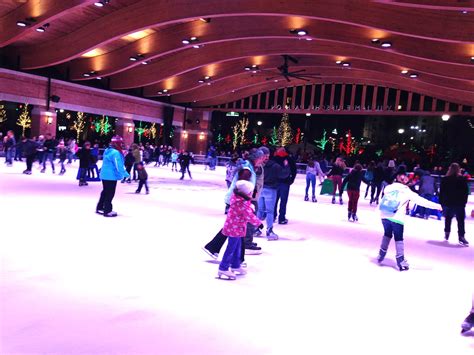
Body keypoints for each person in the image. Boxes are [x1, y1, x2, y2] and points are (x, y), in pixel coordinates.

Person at [376, 172, 441, 271]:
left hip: (384, 215)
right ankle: (401, 260)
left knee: (387, 234)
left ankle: (381, 254)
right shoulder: (407, 192)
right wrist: (437, 206)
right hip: (397, 218)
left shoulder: (388, 188)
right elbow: (422, 201)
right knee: (399, 238)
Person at [217, 171, 263, 280]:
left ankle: (235, 265)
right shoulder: (241, 203)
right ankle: (223, 267)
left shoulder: (240, 198)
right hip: (234, 229)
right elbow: (249, 215)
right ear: (247, 193)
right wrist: (259, 224)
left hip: (236, 228)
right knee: (231, 248)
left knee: (237, 247)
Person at [257, 149, 290, 240]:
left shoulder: (258, 165)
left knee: (259, 210)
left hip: (260, 189)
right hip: (270, 190)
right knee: (269, 211)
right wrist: (286, 166)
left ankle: (255, 228)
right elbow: (284, 174)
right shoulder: (275, 166)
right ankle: (269, 230)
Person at [96, 136, 129, 217]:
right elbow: (119, 166)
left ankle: (100, 207)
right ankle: (107, 210)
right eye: (121, 143)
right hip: (111, 176)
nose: (122, 144)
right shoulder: (116, 153)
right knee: (110, 193)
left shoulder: (107, 150)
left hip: (105, 175)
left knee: (105, 192)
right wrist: (126, 174)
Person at [439, 163, 469, 246]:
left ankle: (447, 233)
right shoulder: (462, 179)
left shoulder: (445, 179)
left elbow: (442, 192)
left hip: (448, 202)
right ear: (458, 169)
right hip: (459, 203)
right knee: (460, 220)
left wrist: (441, 202)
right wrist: (464, 202)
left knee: (448, 218)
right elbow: (465, 192)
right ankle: (461, 236)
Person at [273, 147, 297, 224]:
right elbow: (294, 170)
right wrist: (291, 180)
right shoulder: (289, 159)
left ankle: (273, 216)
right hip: (285, 183)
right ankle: (282, 218)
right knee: (283, 201)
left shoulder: (274, 159)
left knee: (274, 200)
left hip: (275, 182)